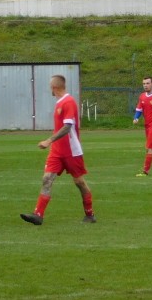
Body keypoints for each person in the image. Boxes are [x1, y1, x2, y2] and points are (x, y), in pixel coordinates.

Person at [20, 74, 96, 225]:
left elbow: (67, 127)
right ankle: (38, 215)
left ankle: (90, 214)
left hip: (71, 151)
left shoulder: (69, 102)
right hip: (57, 151)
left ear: (54, 87)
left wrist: (49, 140)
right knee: (47, 179)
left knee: (79, 182)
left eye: (50, 86)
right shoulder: (60, 102)